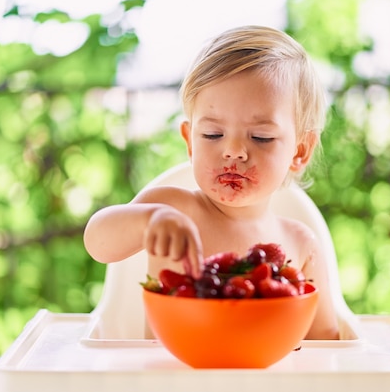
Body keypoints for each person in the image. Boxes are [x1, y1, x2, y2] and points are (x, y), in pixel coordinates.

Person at [83, 25, 339, 340]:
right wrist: (149, 220)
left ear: (299, 151)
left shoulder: (301, 244)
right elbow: (97, 243)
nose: (233, 151)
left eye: (261, 137)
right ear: (190, 142)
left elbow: (326, 343)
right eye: (213, 135)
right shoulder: (173, 209)